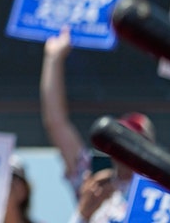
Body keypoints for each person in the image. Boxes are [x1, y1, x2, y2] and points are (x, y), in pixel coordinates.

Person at [41, 26, 155, 223]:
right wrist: (54, 58)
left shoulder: (164, 193)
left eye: (135, 140)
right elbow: (56, 123)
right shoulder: (93, 183)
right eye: (120, 140)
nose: (126, 148)